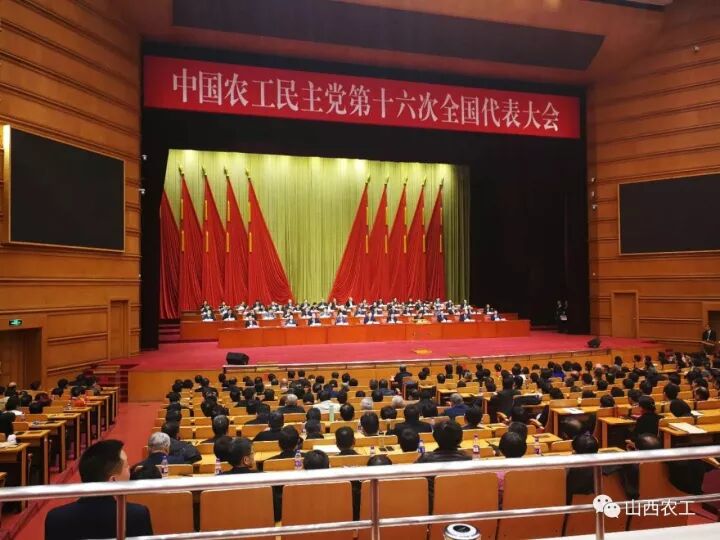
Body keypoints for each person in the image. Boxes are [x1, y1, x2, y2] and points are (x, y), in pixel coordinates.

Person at [45, 440, 153, 540]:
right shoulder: (137, 515)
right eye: (126, 466)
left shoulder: (56, 518)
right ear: (113, 480)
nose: (130, 469)